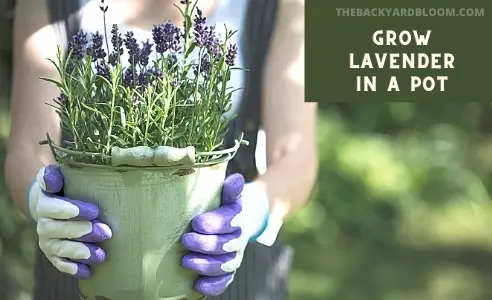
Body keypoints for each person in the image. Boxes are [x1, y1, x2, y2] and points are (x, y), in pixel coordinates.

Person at [4, 0, 316, 299]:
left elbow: (296, 156)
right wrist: (41, 199)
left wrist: (251, 212)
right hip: (83, 264)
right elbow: (27, 147)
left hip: (223, 274)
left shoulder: (286, 5)